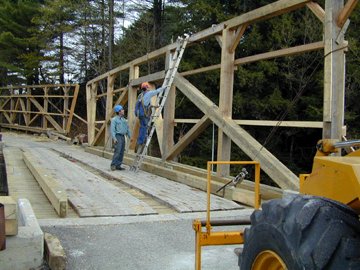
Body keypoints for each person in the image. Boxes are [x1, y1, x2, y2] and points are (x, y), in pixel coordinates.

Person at [134, 82, 164, 152]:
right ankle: (141, 141)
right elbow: (157, 91)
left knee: (142, 127)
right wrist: (165, 87)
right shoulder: (149, 94)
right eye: (148, 87)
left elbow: (144, 105)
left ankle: (142, 140)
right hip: (144, 114)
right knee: (144, 127)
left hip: (140, 114)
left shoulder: (140, 95)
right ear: (147, 87)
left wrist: (154, 106)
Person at [110, 104, 131, 171]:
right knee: (117, 151)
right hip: (118, 136)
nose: (123, 110)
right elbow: (112, 130)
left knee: (121, 151)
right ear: (119, 111)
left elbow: (127, 129)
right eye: (122, 109)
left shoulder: (124, 120)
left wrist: (130, 137)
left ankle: (118, 165)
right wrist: (114, 138)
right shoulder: (114, 120)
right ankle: (113, 165)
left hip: (122, 136)